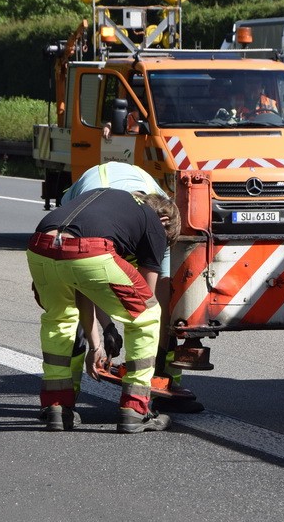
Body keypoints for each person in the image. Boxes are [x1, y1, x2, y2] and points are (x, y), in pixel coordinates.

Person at [27, 187, 181, 433]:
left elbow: (83, 290)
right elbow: (141, 303)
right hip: (92, 250)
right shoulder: (154, 224)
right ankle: (135, 409)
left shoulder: (109, 203)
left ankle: (57, 406)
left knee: (60, 319)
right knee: (147, 315)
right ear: (165, 222)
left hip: (40, 246)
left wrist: (96, 344)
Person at [59, 162, 202, 413]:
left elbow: (154, 299)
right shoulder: (104, 218)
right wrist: (106, 331)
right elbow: (88, 287)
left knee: (161, 310)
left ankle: (165, 383)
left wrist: (154, 351)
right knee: (73, 313)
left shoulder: (161, 226)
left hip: (126, 211)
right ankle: (66, 395)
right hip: (83, 226)